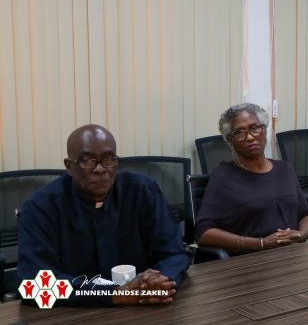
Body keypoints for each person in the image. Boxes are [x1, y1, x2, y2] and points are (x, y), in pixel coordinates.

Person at [18, 124, 191, 306]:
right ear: (69, 166)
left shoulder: (141, 191)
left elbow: (174, 253)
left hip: (143, 305)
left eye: (108, 159)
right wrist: (114, 294)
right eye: (87, 160)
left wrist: (161, 282)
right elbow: (34, 285)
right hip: (75, 312)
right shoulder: (41, 206)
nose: (100, 169)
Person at [195, 103, 308, 254]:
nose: (250, 137)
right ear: (230, 140)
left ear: (264, 130)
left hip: (292, 255)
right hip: (251, 260)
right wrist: (261, 243)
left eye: (255, 128)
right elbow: (203, 233)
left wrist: (301, 235)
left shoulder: (285, 169)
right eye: (239, 132)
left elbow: (305, 214)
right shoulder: (223, 176)